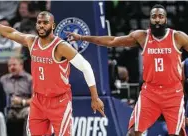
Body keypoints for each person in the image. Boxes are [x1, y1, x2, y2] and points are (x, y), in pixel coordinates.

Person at [0, 11, 105, 136]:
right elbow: (10, 32)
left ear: (52, 25)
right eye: (39, 22)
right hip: (38, 100)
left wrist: (94, 96)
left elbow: (86, 67)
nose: (41, 25)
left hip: (59, 101)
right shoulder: (32, 41)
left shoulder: (61, 47)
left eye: (45, 22)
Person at [66, 4, 188, 136]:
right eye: (154, 17)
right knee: (132, 133)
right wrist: (82, 38)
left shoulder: (178, 37)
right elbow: (112, 41)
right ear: (150, 20)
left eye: (160, 16)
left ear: (165, 19)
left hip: (173, 93)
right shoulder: (142, 37)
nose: (157, 19)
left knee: (177, 134)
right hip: (150, 93)